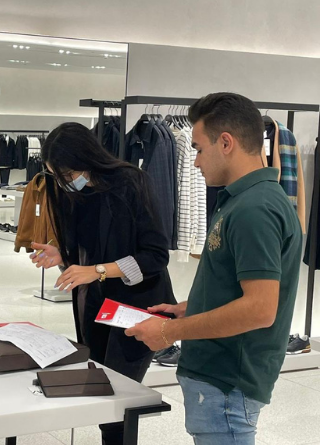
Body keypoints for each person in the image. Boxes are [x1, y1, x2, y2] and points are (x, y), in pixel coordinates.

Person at [126, 92, 302, 444]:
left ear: (225, 143)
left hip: (227, 382)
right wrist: (190, 308)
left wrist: (169, 333)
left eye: (198, 149)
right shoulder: (242, 200)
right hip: (221, 378)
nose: (195, 162)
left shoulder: (255, 209)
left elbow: (260, 309)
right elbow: (238, 286)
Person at [31, 122, 176, 445]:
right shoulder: (70, 193)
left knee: (118, 397)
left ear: (87, 159)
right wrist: (63, 255)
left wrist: (97, 271)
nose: (65, 182)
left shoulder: (132, 183)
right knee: (102, 390)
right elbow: (89, 249)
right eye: (57, 176)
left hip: (137, 306)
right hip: (96, 305)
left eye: (68, 174)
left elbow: (155, 256)